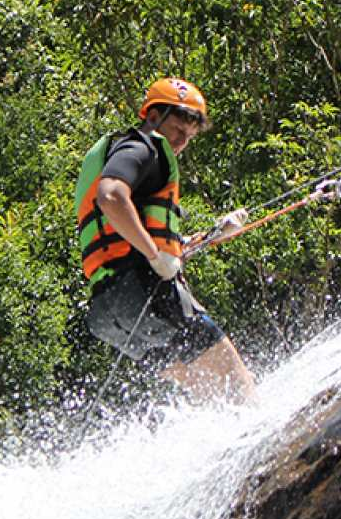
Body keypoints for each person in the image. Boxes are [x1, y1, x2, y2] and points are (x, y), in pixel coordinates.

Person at [74, 77, 258, 404]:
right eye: (176, 130)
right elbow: (111, 197)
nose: (180, 143)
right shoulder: (143, 147)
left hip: (109, 309)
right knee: (240, 386)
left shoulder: (119, 152)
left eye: (189, 137)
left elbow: (136, 243)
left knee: (214, 400)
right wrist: (155, 254)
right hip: (147, 292)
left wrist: (211, 235)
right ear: (153, 116)